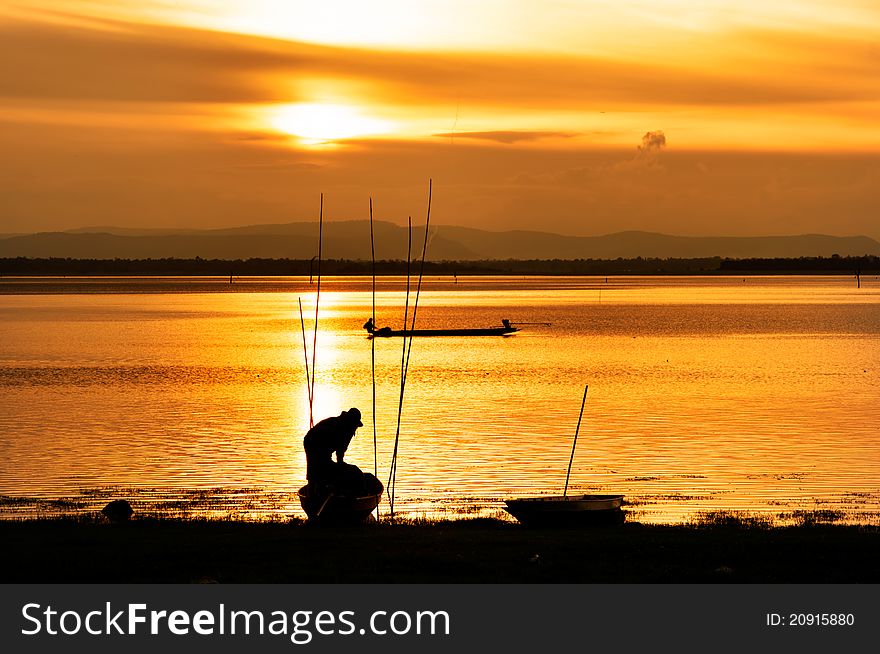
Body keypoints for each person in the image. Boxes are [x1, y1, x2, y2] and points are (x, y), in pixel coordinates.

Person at [304, 408, 364, 495]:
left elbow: (340, 452)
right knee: (317, 469)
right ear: (353, 422)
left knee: (319, 469)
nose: (355, 428)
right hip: (313, 441)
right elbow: (340, 453)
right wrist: (341, 466)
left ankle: (316, 490)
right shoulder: (346, 428)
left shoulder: (343, 424)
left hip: (315, 441)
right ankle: (315, 493)